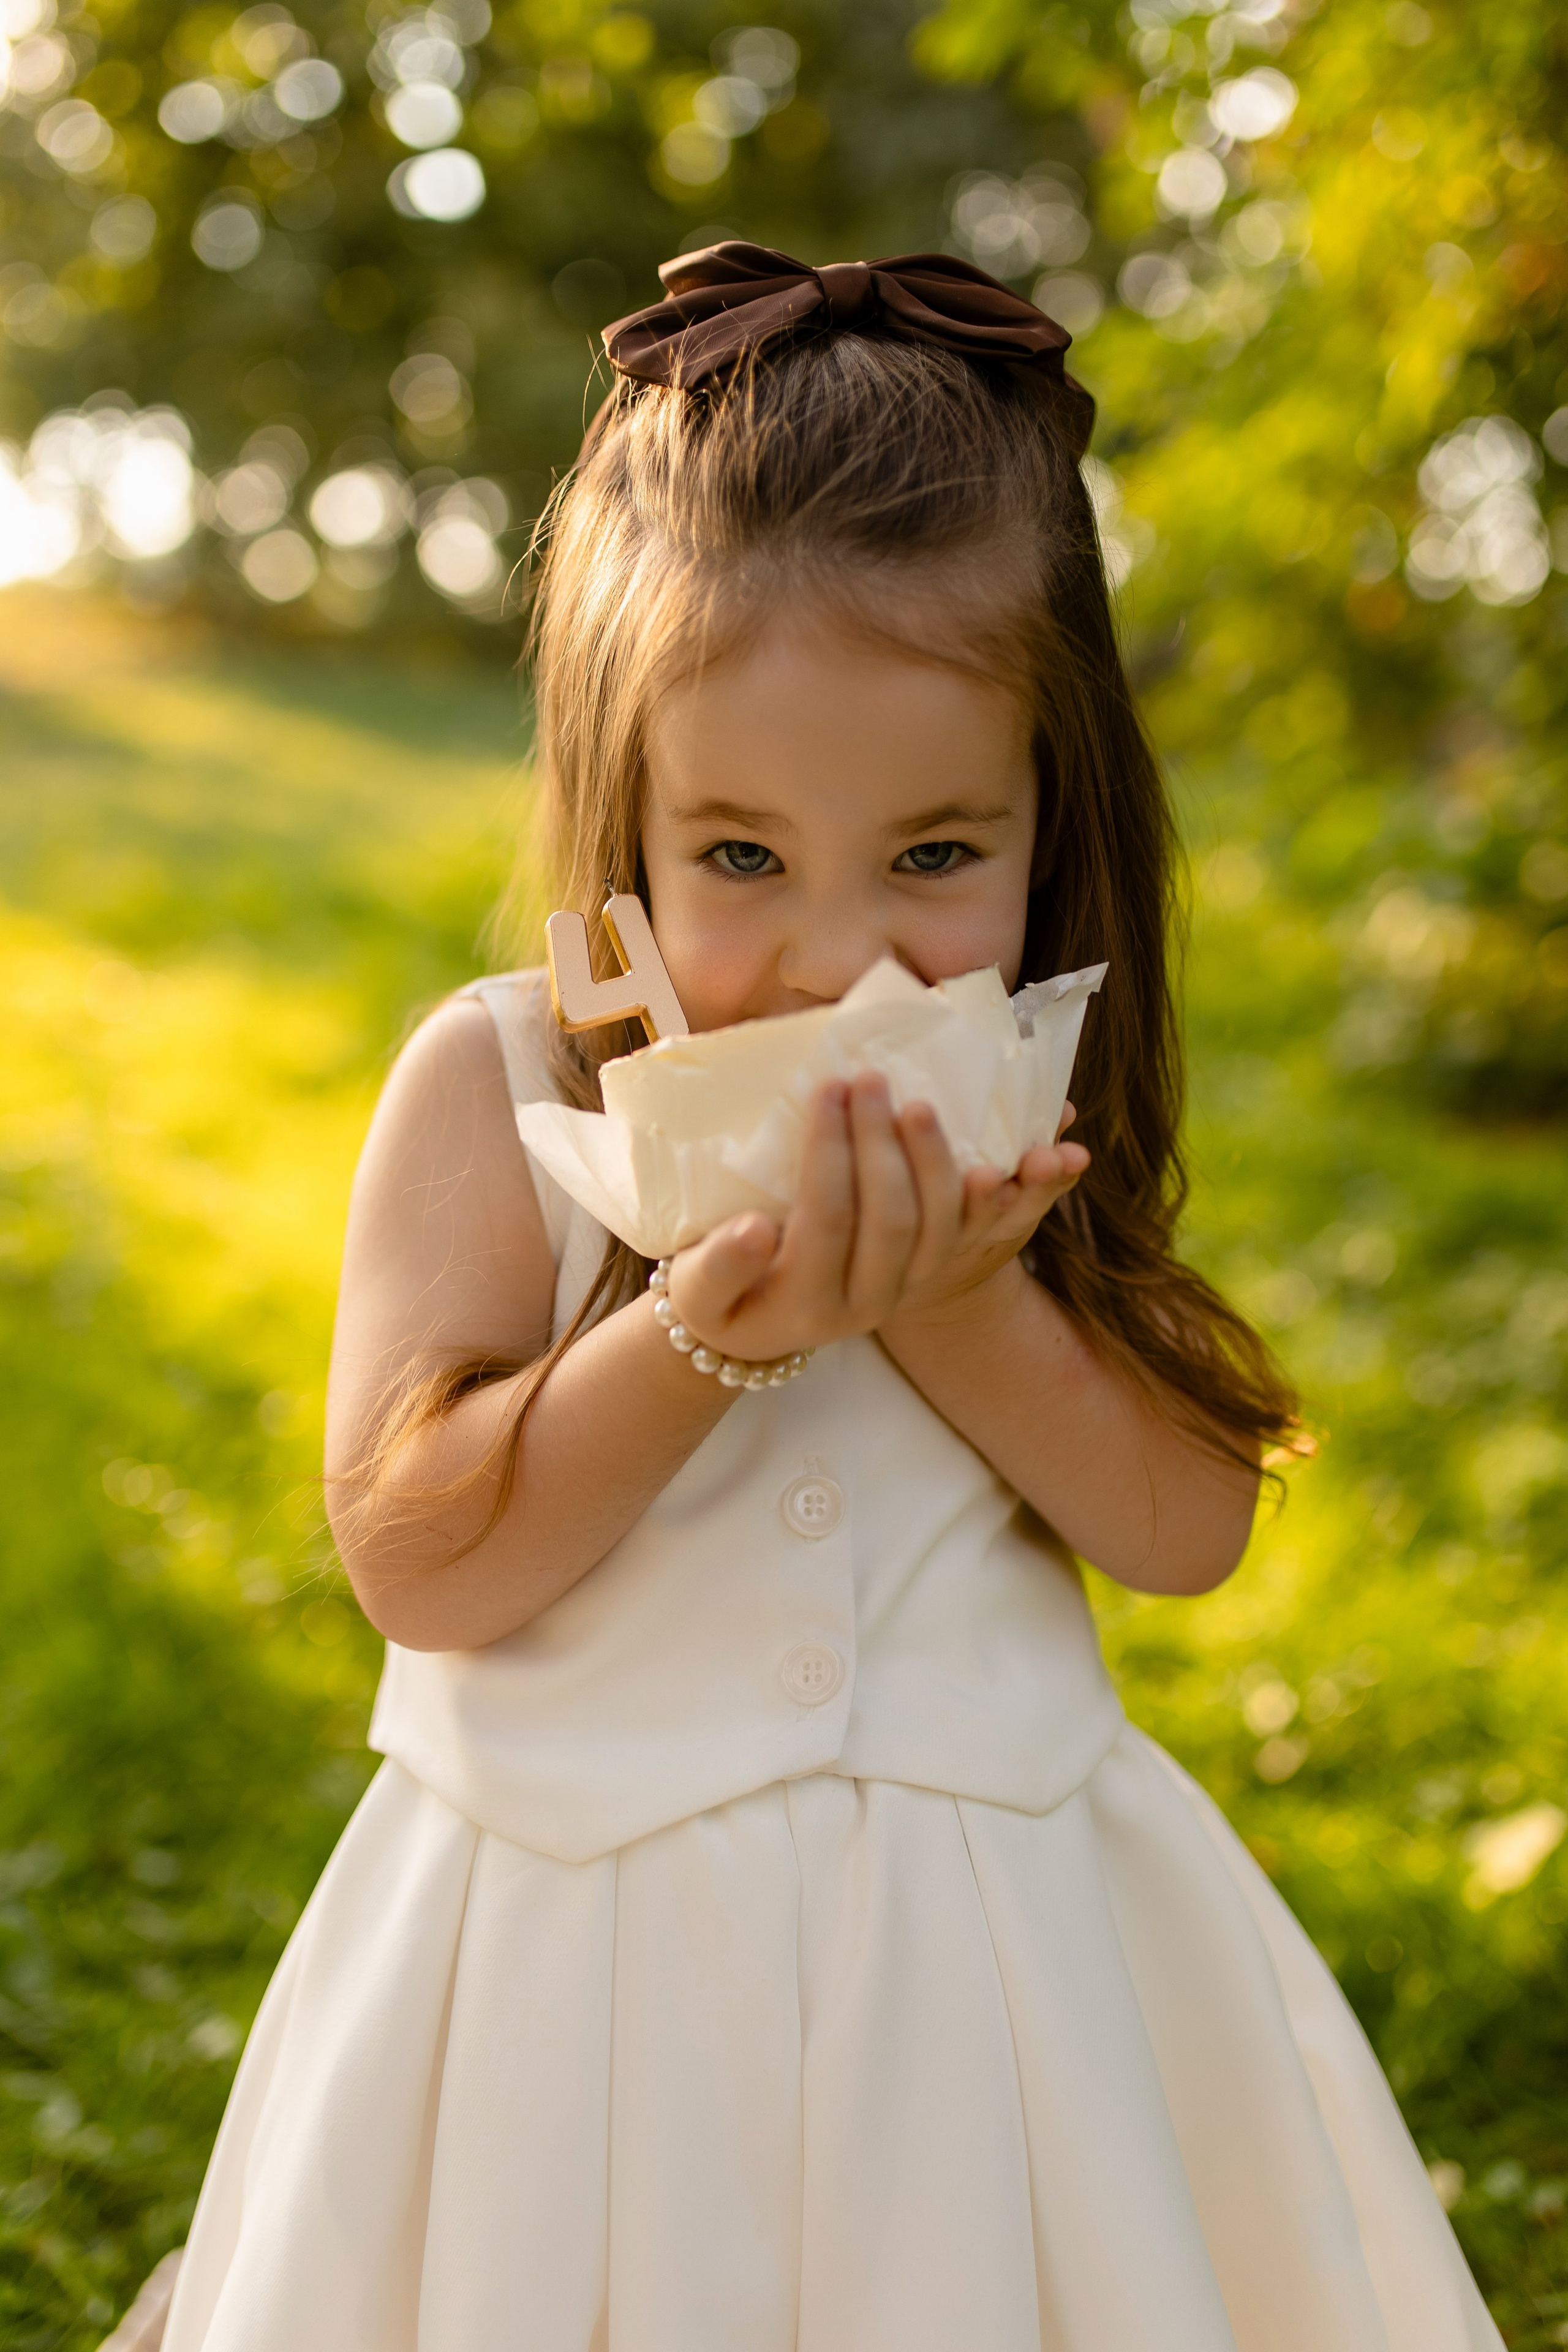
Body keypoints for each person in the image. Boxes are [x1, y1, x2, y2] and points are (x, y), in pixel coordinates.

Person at [155, 246, 1501, 2351]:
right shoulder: (499, 1086)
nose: (837, 962)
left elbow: (1184, 1529)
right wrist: (716, 1326)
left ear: (1055, 838)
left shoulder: (1015, 1099)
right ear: (626, 828)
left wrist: (954, 1300)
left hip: (985, 1979)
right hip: (565, 1972)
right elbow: (420, 1557)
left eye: (936, 860)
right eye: (746, 861)